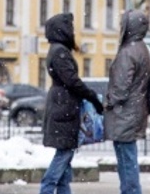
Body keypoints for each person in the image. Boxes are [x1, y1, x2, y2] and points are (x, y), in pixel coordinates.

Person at [39, 12, 104, 194]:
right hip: (64, 108)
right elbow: (72, 81)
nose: (73, 32)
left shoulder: (57, 49)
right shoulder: (60, 52)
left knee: (65, 164)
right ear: (62, 30)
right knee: (64, 155)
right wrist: (92, 97)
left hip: (63, 106)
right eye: (70, 28)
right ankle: (46, 189)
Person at [104, 9, 150, 194]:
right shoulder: (142, 48)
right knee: (128, 158)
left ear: (129, 26)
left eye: (122, 23)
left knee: (126, 161)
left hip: (125, 114)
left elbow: (120, 87)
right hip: (135, 111)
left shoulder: (128, 51)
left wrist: (108, 101)